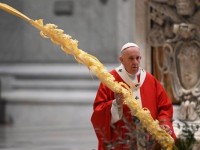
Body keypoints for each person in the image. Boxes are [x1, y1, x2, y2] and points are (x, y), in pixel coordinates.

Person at [91, 43, 176, 150]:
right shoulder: (110, 80)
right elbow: (98, 114)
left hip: (148, 142)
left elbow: (164, 107)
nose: (135, 62)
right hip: (122, 142)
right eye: (131, 59)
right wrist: (116, 104)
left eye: (138, 58)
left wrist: (164, 124)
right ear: (121, 60)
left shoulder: (149, 79)